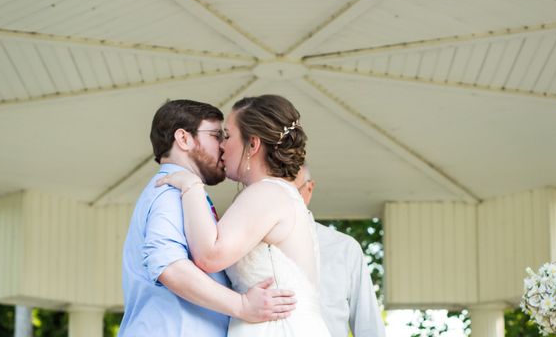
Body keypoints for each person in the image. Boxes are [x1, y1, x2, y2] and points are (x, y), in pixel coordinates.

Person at [118, 99, 296, 337]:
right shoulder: (170, 193)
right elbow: (170, 267)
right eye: (215, 135)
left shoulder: (182, 192)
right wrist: (242, 305)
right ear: (183, 139)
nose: (223, 146)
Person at [157, 95, 331, 336]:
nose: (221, 145)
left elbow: (209, 256)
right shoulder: (277, 193)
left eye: (228, 135)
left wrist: (191, 186)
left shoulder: (266, 193)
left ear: (253, 145)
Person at [294, 166, 386, 337]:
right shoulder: (245, 246)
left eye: (292, 193)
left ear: (308, 190)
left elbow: (368, 327)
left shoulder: (344, 249)